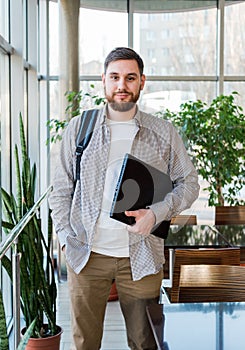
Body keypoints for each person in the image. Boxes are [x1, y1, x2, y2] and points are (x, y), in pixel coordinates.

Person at [49, 47, 200, 350]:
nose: (122, 85)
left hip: (142, 258)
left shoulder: (163, 132)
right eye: (115, 77)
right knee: (84, 343)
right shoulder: (80, 128)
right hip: (86, 256)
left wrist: (156, 214)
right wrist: (66, 238)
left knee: (146, 342)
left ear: (142, 81)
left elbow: (189, 183)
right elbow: (61, 191)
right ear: (103, 80)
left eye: (130, 78)